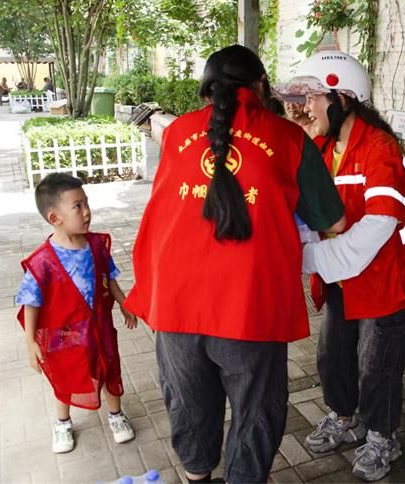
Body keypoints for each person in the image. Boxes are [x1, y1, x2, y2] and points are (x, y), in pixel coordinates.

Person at [123, 45, 345, 483]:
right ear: (260, 85)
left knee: (189, 406)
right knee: (256, 411)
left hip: (176, 305)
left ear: (207, 89)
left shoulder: (177, 133)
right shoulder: (288, 138)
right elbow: (333, 221)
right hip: (249, 308)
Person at [277, 51, 405, 481]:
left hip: (384, 281)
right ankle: (344, 417)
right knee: (333, 356)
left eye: (313, 97)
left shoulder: (381, 149)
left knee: (378, 365)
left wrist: (308, 259)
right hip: (341, 279)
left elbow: (378, 225)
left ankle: (382, 436)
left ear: (342, 98)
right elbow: (305, 204)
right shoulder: (322, 148)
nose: (305, 107)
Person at [15, 173, 137, 454]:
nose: (87, 212)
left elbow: (109, 277)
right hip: (65, 333)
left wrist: (123, 302)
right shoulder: (43, 261)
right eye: (77, 206)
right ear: (54, 217)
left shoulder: (96, 246)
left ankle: (116, 415)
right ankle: (62, 422)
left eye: (86, 203)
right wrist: (30, 342)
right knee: (65, 375)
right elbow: (30, 302)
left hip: (100, 327)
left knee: (109, 367)